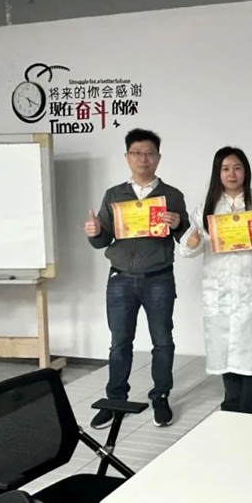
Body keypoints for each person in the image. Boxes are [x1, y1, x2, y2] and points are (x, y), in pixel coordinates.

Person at [84, 128, 189, 428]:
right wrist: (95, 232)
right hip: (120, 279)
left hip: (159, 278)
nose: (143, 158)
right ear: (127, 157)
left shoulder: (171, 195)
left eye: (149, 153)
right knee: (119, 343)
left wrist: (178, 224)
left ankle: (161, 396)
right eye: (137, 153)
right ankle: (115, 399)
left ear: (158, 157)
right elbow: (103, 240)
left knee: (162, 341)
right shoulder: (114, 195)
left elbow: (186, 237)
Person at [179, 147, 252, 414]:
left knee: (251, 349)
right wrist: (192, 241)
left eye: (237, 168)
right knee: (224, 347)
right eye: (225, 168)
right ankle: (231, 401)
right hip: (219, 290)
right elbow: (187, 248)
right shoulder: (206, 207)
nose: (232, 174)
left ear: (245, 172)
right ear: (217, 173)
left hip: (251, 287)